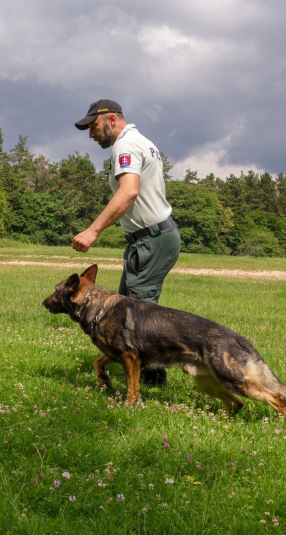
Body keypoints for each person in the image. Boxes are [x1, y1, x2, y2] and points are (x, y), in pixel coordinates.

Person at [72, 99, 181, 386]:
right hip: (152, 237)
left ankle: (153, 380)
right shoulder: (142, 141)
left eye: (93, 126)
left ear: (110, 119)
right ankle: (137, 371)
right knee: (124, 310)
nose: (91, 135)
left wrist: (93, 231)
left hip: (151, 239)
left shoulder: (126, 144)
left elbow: (129, 192)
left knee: (141, 315)